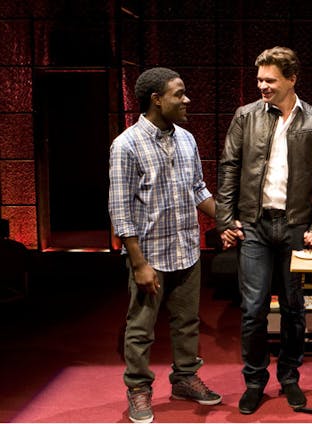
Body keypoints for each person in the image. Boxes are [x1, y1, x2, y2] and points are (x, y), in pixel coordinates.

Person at [216, 46, 312, 415]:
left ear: (291, 79)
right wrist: (225, 218)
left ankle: (289, 377)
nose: (262, 86)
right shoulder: (245, 116)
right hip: (254, 225)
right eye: (259, 80)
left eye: (270, 80)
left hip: (296, 227)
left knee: (294, 308)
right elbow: (229, 166)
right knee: (252, 309)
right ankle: (254, 381)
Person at [108, 67, 222, 424]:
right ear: (156, 99)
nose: (186, 100)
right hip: (150, 255)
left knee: (187, 321)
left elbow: (197, 190)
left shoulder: (187, 139)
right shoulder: (126, 144)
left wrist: (229, 219)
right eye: (179, 94)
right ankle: (139, 388)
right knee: (140, 329)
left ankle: (185, 377)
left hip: (186, 247)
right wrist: (139, 264)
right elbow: (121, 210)